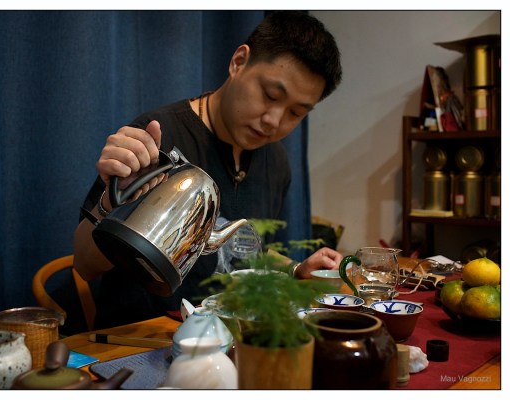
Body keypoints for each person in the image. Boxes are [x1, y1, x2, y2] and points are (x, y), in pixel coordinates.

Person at [74, 11, 343, 329]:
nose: (274, 121)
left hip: (230, 339)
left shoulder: (276, 162)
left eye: (295, 113)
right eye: (270, 95)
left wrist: (297, 270)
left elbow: (245, 252)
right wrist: (113, 201)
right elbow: (85, 264)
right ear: (239, 62)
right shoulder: (159, 139)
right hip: (143, 340)